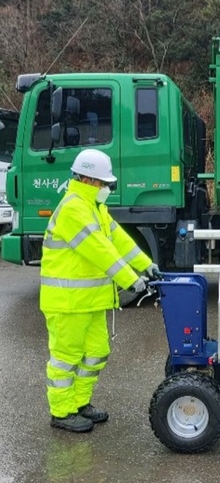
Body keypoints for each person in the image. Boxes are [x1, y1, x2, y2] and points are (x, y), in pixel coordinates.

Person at [40, 149, 159, 433]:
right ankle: (62, 411)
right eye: (103, 183)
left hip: (89, 300)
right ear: (87, 179)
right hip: (67, 302)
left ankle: (79, 403)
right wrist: (131, 279)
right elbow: (99, 250)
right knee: (66, 357)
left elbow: (119, 240)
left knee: (97, 351)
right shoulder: (72, 209)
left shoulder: (95, 208)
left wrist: (147, 265)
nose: (107, 188)